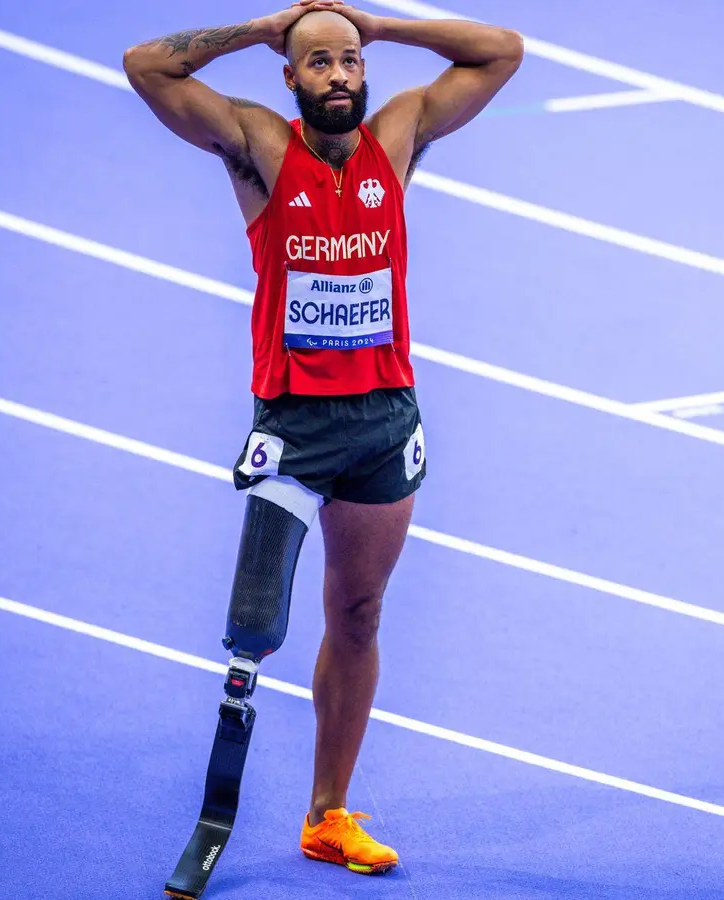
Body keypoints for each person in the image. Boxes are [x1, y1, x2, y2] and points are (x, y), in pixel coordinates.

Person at [123, 0, 523, 878]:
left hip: (383, 419)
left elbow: (502, 50)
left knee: (358, 612)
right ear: (290, 77)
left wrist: (375, 24)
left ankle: (327, 815)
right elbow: (146, 64)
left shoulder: (399, 134)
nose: (339, 76)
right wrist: (261, 27)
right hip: (294, 423)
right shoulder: (262, 147)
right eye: (319, 63)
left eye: (349, 62)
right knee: (254, 624)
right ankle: (216, 809)